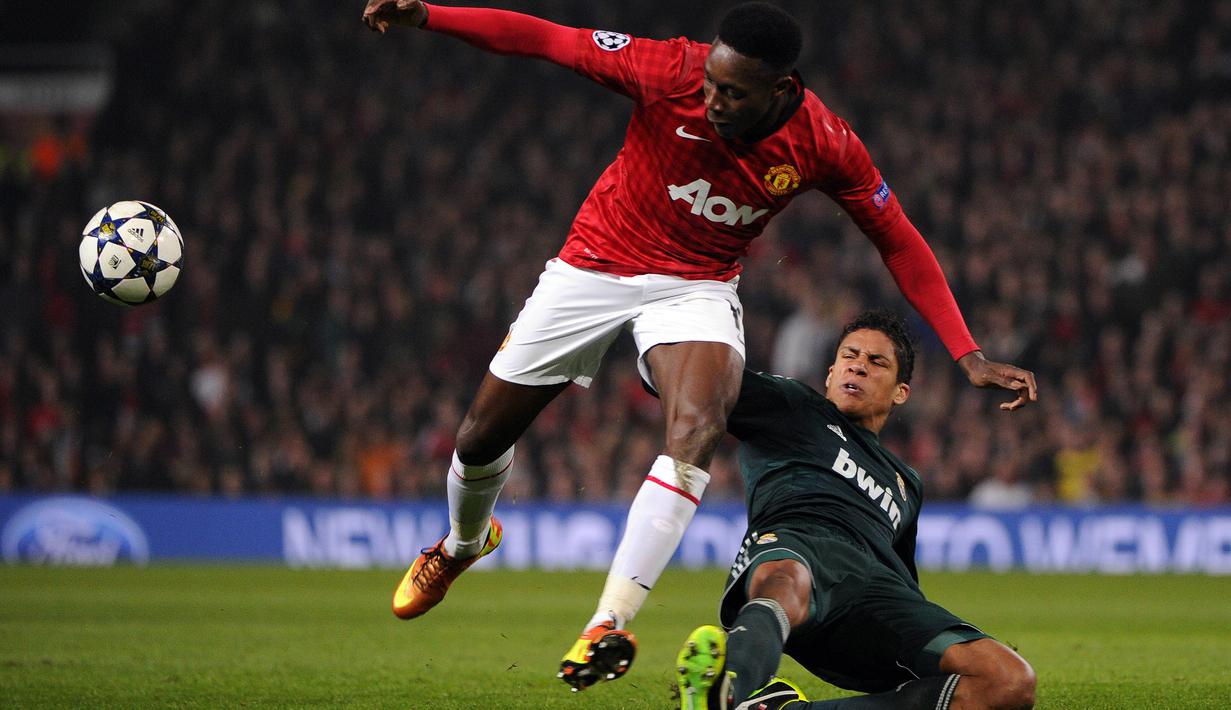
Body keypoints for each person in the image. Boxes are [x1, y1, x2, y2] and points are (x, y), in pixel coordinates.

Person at [361, 0, 1039, 692]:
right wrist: (428, 15)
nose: (711, 99)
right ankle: (463, 544)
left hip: (696, 286)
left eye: (731, 92)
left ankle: (609, 621)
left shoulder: (824, 143)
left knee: (697, 428)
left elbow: (895, 236)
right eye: (711, 83)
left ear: (779, 89)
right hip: (593, 264)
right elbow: (545, 39)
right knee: (478, 439)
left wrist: (966, 353)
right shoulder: (666, 69)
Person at [675, 311, 1036, 710]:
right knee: (787, 577)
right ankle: (726, 690)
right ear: (830, 374)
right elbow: (694, 383)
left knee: (1009, 682)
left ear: (901, 392)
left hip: (875, 589)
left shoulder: (906, 483)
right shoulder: (793, 407)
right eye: (850, 355)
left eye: (876, 362)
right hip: (801, 543)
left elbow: (901, 579)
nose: (859, 365)